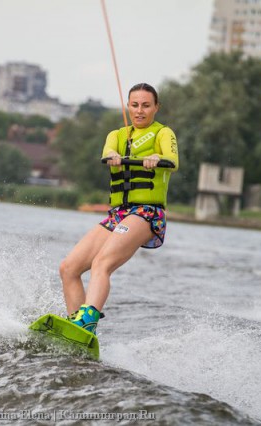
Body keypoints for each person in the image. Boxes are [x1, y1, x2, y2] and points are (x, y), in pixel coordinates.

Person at [59, 83, 179, 334]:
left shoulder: (163, 133)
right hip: (119, 215)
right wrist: (113, 156)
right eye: (135, 105)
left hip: (147, 214)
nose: (140, 111)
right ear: (128, 106)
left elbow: (173, 161)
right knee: (69, 268)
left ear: (156, 107)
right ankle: (76, 329)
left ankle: (87, 320)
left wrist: (156, 158)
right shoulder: (116, 135)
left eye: (146, 105)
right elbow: (108, 152)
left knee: (102, 263)